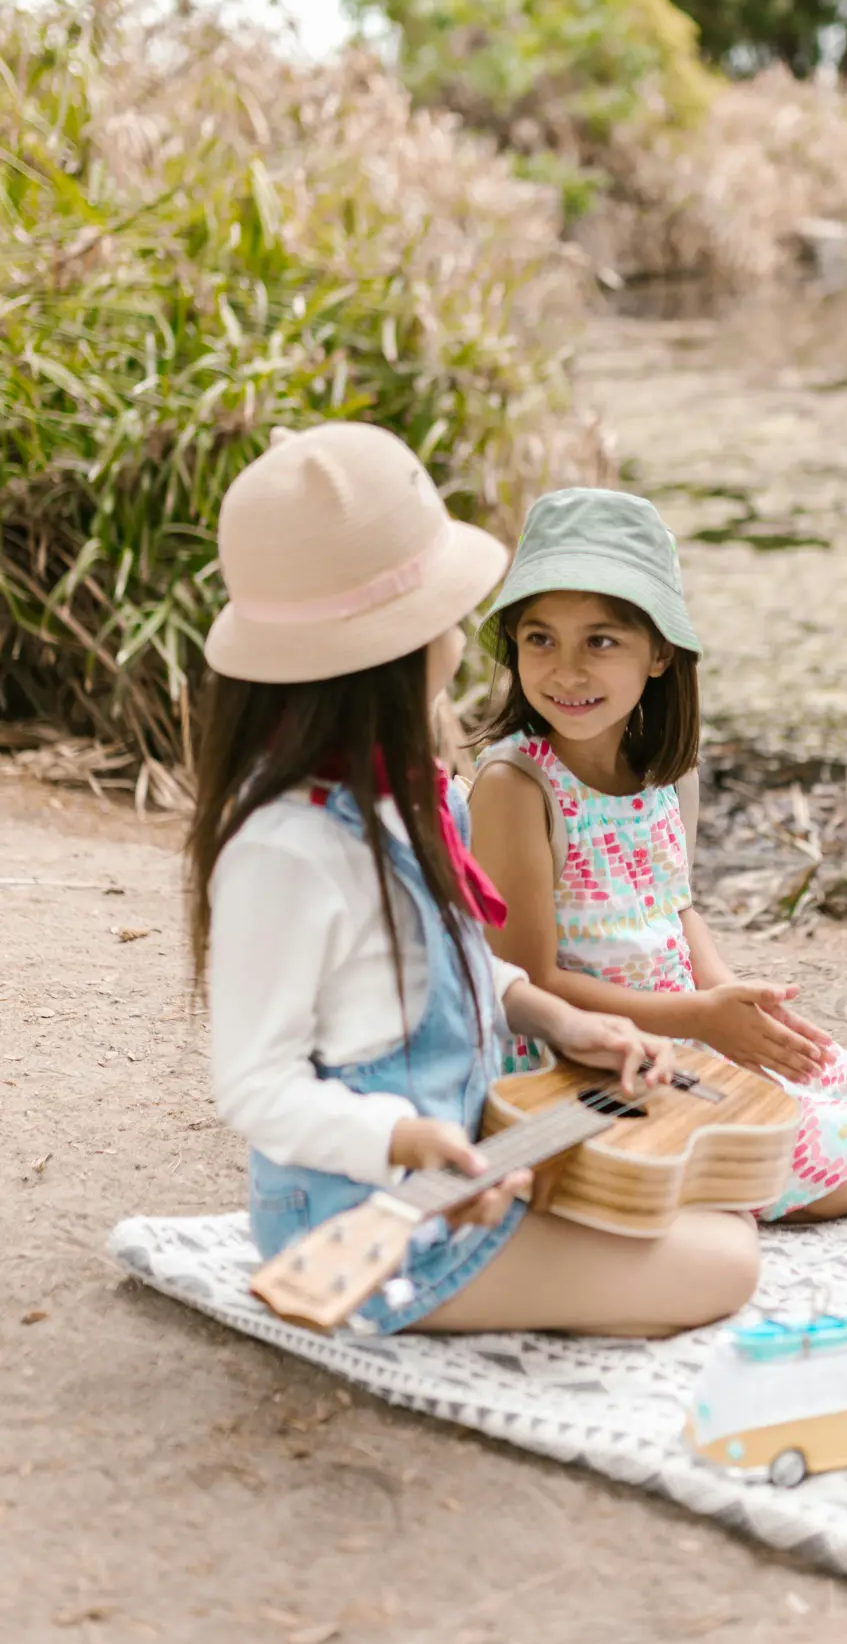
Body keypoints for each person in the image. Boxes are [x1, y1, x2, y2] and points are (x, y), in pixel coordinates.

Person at [190, 424, 759, 1336]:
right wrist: (405, 1143)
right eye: (450, 611)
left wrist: (556, 1017)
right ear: (400, 645)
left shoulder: (400, 791)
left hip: (473, 1156)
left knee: (704, 1194)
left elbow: (442, 965)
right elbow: (254, 1087)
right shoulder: (286, 851)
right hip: (379, 1220)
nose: (464, 634)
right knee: (725, 1259)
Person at [468, 486, 847, 1220]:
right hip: (582, 1053)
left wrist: (732, 1003)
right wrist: (698, 1018)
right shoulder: (517, 786)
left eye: (600, 641)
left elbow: (673, 907)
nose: (565, 671)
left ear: (658, 653)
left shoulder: (667, 774)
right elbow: (530, 981)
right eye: (539, 639)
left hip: (682, 1024)